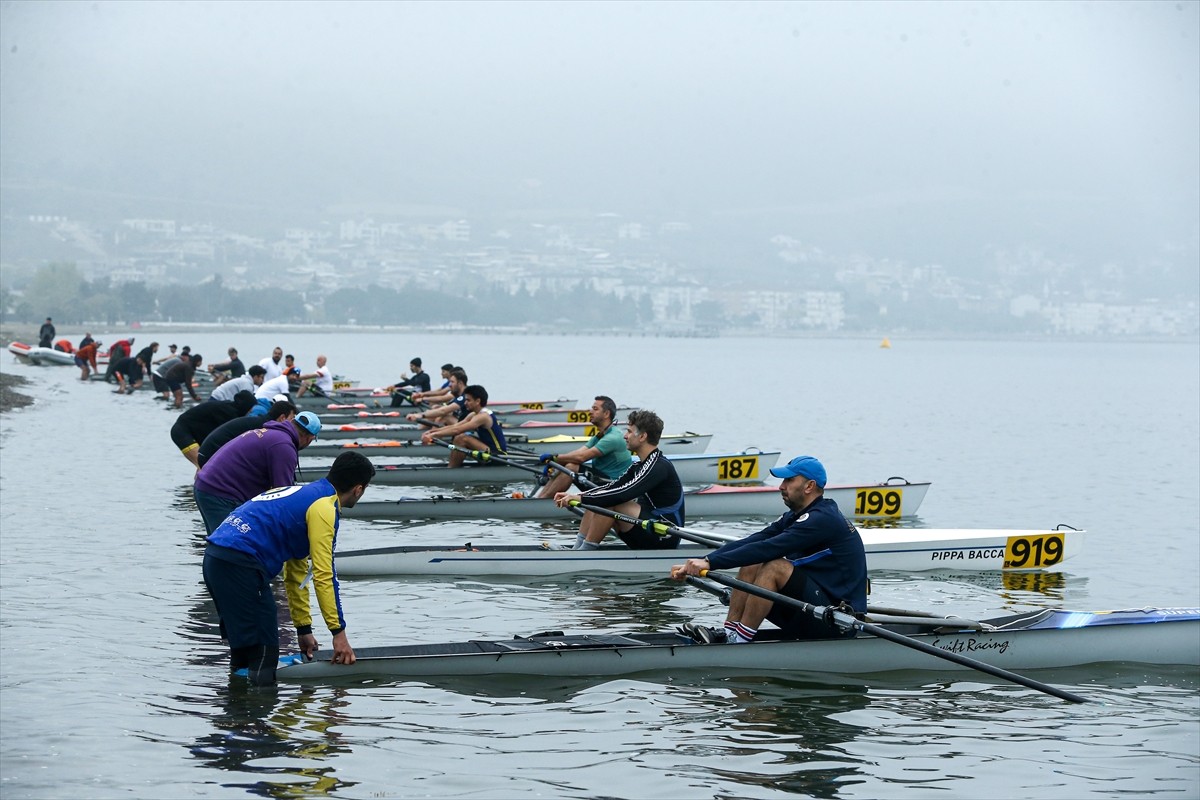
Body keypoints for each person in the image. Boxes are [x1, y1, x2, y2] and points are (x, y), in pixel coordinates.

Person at [202, 450, 375, 686]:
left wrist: (303, 629)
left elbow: (296, 573)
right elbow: (324, 575)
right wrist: (339, 634)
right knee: (265, 652)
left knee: (245, 651)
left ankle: (237, 704)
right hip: (240, 563)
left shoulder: (304, 494)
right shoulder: (324, 507)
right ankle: (260, 706)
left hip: (215, 558)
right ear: (358, 489)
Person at [670, 455, 869, 644]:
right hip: (812, 609)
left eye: (789, 480)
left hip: (839, 621)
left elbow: (770, 548)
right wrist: (704, 560)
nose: (781, 486)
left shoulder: (823, 519)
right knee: (753, 560)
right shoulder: (794, 516)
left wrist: (710, 563)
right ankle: (731, 633)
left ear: (809, 486)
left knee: (775, 566)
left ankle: (739, 641)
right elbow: (755, 541)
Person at [553, 409, 684, 551]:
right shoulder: (638, 465)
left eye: (629, 431)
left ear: (642, 436)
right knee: (598, 497)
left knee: (608, 502)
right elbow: (613, 487)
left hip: (665, 535)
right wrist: (578, 496)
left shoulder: (659, 466)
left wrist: (582, 499)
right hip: (648, 528)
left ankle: (584, 553)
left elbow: (624, 493)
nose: (625, 436)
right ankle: (577, 550)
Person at [193, 411, 322, 535]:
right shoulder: (284, 446)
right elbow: (282, 494)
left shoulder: (271, 433)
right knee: (228, 543)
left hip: (205, 485)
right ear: (309, 438)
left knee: (221, 540)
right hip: (220, 493)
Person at [534, 395, 632, 498]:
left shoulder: (612, 437)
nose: (590, 412)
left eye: (595, 409)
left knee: (572, 467)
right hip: (603, 480)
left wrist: (554, 458)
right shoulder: (600, 435)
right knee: (566, 464)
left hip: (615, 486)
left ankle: (542, 501)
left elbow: (581, 457)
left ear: (606, 414)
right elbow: (578, 453)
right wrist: (556, 462)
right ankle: (539, 499)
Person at [420, 385, 507, 466]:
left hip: (497, 456)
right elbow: (455, 426)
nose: (465, 403)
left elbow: (457, 430)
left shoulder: (483, 416)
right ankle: (452, 468)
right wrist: (432, 432)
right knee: (461, 437)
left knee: (461, 438)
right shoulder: (473, 414)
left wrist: (433, 435)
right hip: (486, 451)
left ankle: (451, 470)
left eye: (468, 400)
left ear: (477, 401)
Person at [197, 399, 297, 467]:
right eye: (292, 419)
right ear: (282, 418)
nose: (293, 424)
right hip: (211, 454)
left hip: (206, 452)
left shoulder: (260, 422)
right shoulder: (265, 429)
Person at [171, 391, 257, 467]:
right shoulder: (228, 413)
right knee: (203, 465)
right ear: (245, 406)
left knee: (206, 465)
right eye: (250, 410)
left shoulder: (229, 408)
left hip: (190, 432)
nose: (250, 412)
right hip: (182, 432)